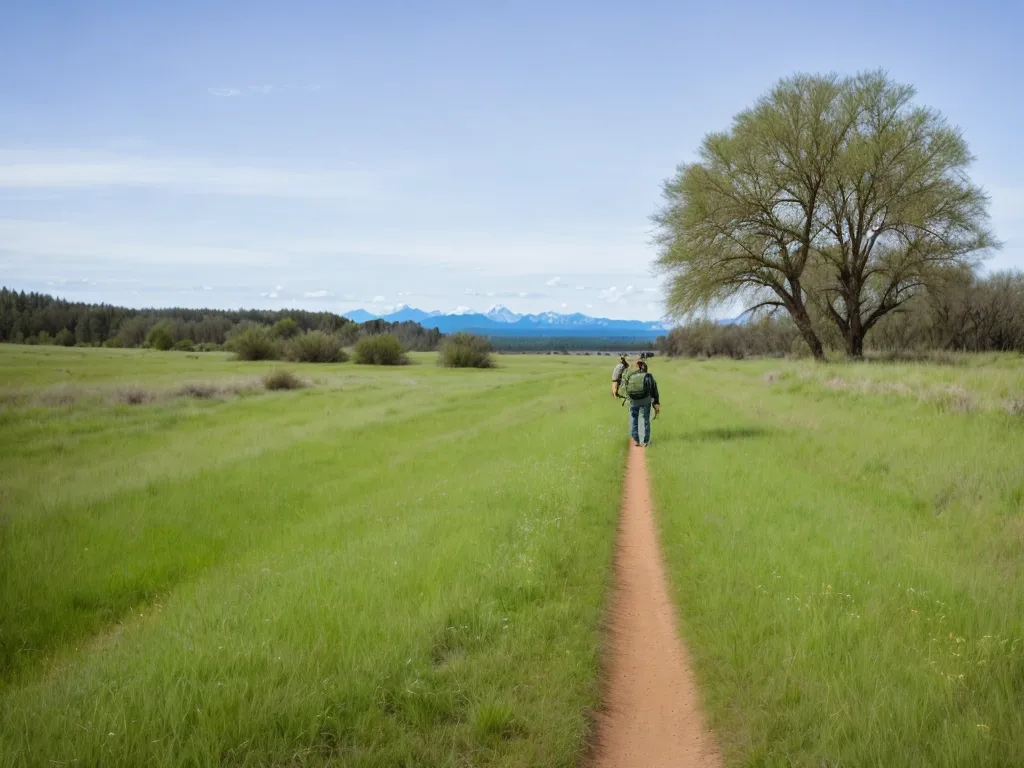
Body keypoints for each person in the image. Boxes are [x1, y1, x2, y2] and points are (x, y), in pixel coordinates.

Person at [621, 359, 661, 447]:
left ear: (638, 367)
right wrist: (656, 403)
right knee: (646, 420)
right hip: (646, 400)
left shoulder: (632, 375)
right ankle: (646, 441)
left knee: (634, 419)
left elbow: (626, 388)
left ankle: (636, 439)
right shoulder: (648, 376)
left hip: (634, 401)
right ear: (646, 368)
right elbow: (654, 390)